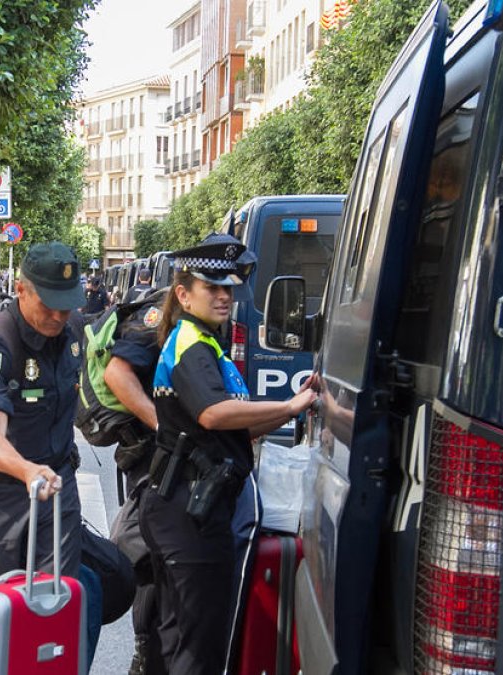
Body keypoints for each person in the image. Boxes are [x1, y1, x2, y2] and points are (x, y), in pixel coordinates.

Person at [141, 233, 316, 674]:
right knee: (198, 649)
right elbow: (214, 415)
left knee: (180, 638)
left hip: (192, 507)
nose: (224, 296)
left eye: (229, 287)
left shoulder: (208, 343)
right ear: (183, 293)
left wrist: (295, 410)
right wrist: (290, 404)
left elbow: (244, 428)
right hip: (189, 511)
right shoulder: (192, 344)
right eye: (212, 287)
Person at [0, 242, 86, 581]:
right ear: (20, 290)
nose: (59, 316)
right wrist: (27, 470)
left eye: (67, 305)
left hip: (57, 488)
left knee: (56, 609)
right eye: (50, 305)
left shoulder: (73, 331)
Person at [103, 285, 167, 674]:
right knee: (150, 559)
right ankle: (146, 653)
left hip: (170, 458)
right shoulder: (159, 314)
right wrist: (164, 424)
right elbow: (117, 372)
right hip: (150, 456)